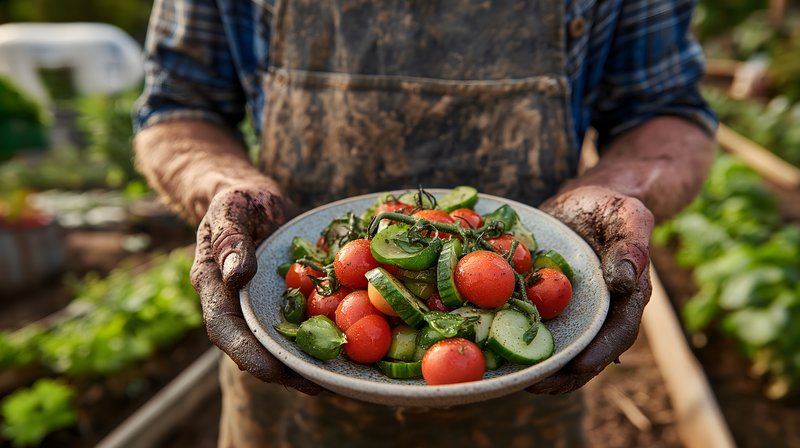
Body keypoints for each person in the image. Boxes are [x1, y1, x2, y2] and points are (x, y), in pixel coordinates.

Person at [133, 1, 716, 446]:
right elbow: (178, 109)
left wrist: (623, 190)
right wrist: (223, 187)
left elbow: (667, 110)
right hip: (287, 400)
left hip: (526, 391)